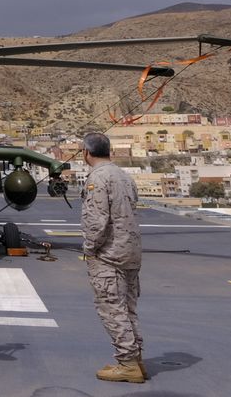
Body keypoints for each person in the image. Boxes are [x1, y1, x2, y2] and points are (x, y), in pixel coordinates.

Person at [80, 131, 145, 383]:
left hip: (109, 254)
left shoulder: (98, 178)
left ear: (86, 152)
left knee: (111, 308)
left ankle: (127, 363)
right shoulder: (123, 176)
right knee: (128, 309)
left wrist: (89, 248)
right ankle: (136, 359)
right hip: (130, 251)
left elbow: (98, 220)